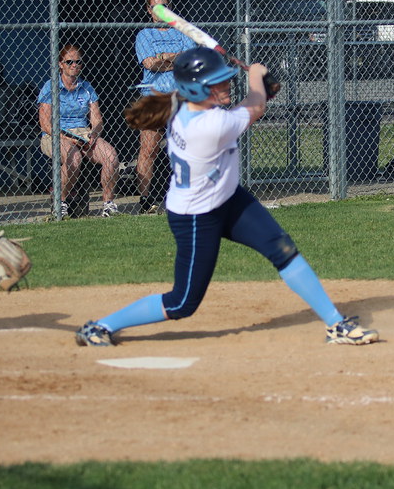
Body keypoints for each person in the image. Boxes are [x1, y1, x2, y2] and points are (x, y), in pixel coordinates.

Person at [75, 47, 378, 347]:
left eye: (224, 80)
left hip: (229, 198)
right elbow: (256, 107)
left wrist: (261, 88)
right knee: (183, 302)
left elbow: (251, 103)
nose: (225, 86)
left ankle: (335, 324)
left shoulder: (184, 102)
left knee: (282, 248)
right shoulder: (210, 126)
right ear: (195, 89)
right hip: (195, 217)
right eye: (216, 83)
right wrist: (258, 77)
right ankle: (100, 326)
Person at [37, 44, 120, 218]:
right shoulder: (50, 87)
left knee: (111, 157)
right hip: (55, 134)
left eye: (78, 62)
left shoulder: (86, 87)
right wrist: (66, 137)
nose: (74, 65)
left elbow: (97, 119)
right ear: (60, 64)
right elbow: (45, 124)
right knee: (73, 157)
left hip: (83, 132)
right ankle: (61, 203)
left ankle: (108, 204)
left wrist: (93, 134)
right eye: (69, 62)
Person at [133, 0, 196, 214]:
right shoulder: (144, 35)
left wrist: (165, 57)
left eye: (164, 7)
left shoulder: (182, 32)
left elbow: (191, 61)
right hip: (154, 97)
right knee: (148, 149)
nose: (160, 12)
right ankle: (145, 200)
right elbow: (150, 64)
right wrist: (174, 58)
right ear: (149, 11)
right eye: (155, 8)